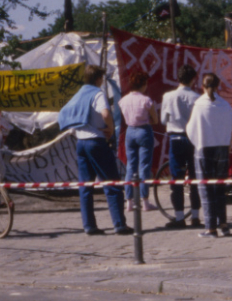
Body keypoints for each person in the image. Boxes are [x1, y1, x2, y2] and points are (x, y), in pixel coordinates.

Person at [57, 65, 132, 235]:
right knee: (111, 183)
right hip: (96, 141)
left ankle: (89, 226)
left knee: (85, 186)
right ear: (98, 79)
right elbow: (105, 114)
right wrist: (110, 128)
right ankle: (119, 224)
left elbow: (64, 112)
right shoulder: (97, 93)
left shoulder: (79, 94)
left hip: (81, 142)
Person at [186, 72, 232, 237]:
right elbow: (231, 127)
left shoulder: (199, 105)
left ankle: (210, 228)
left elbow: (190, 129)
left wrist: (199, 142)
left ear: (202, 86)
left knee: (205, 189)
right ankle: (224, 224)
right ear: (218, 86)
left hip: (204, 147)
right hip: (222, 148)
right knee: (220, 188)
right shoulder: (225, 105)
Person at [160, 65, 201, 228]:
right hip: (192, 139)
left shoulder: (168, 96)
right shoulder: (197, 97)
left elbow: (163, 119)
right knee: (195, 178)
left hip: (175, 138)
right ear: (193, 79)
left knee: (176, 178)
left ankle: (179, 217)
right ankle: (195, 216)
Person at [120, 71, 159, 209]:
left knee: (130, 166)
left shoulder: (123, 100)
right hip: (144, 131)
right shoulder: (146, 100)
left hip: (130, 131)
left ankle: (129, 201)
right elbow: (155, 119)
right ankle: (145, 201)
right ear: (143, 84)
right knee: (144, 166)